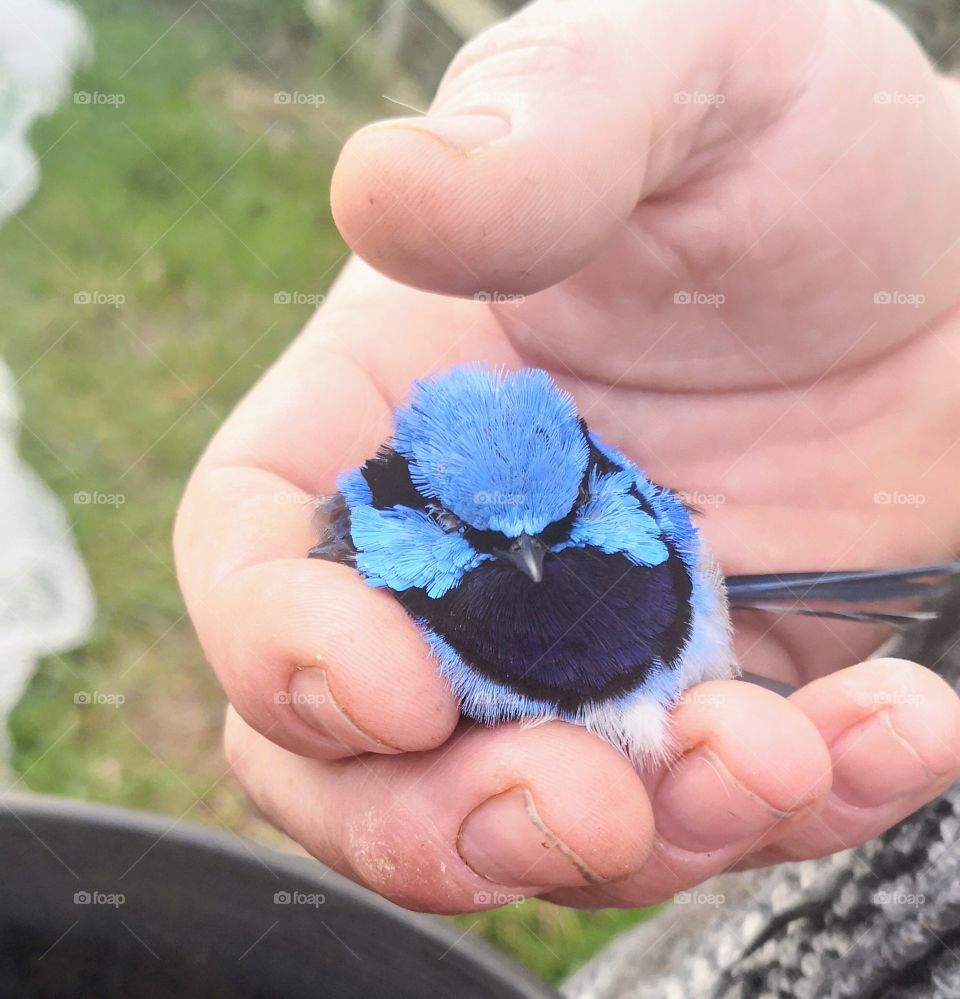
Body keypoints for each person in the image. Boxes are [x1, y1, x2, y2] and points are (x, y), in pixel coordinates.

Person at [175, 0, 960, 915]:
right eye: (481, 533)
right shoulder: (362, 557)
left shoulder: (608, 510)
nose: (532, 557)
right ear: (400, 510)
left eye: (560, 519)